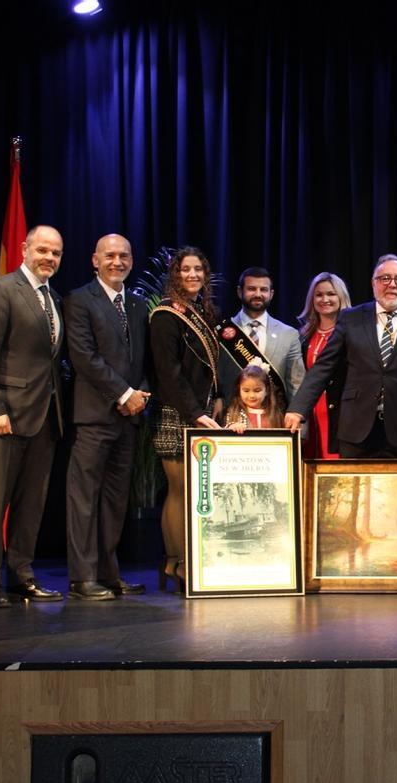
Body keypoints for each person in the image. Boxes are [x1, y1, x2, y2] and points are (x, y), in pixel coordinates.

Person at [0, 225, 68, 608]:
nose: (49, 258)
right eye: (42, 250)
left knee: (31, 504)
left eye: (56, 253)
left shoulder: (53, 298)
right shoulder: (1, 290)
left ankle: (21, 576)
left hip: (44, 418)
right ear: (25, 249)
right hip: (3, 417)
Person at [284, 254, 397, 460]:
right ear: (374, 283)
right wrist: (298, 409)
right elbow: (324, 367)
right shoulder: (351, 318)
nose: (392, 285)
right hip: (355, 429)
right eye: (385, 278)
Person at [63, 233, 150, 601]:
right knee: (84, 498)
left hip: (128, 419)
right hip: (95, 416)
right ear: (95, 260)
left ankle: (108, 574)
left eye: (124, 255)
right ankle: (83, 578)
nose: (118, 261)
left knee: (115, 501)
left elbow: (142, 360)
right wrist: (124, 394)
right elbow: (83, 357)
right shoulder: (80, 300)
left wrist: (140, 393)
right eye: (110, 255)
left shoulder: (137, 304)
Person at [149, 247, 223, 590]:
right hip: (175, 413)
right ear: (174, 275)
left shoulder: (202, 313)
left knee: (192, 491)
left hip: (202, 414)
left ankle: (178, 562)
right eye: (185, 270)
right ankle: (177, 563)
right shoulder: (166, 315)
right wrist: (195, 412)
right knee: (179, 490)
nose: (192, 275)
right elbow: (169, 373)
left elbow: (209, 368)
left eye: (198, 269)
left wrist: (217, 400)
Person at [219, 267, 305, 405]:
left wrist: (300, 423)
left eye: (263, 290)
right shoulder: (222, 332)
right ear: (240, 291)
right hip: (231, 419)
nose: (258, 294)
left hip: (275, 420)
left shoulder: (289, 334)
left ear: (271, 294)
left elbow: (296, 385)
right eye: (251, 289)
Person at [297, 272, 352, 459]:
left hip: (340, 414)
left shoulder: (352, 333)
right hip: (310, 413)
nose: (324, 299)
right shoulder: (304, 335)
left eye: (331, 294)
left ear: (341, 297)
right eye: (319, 294)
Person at [223, 362, 285, 431]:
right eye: (246, 391)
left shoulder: (276, 415)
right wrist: (232, 427)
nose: (252, 395)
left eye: (257, 391)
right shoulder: (234, 414)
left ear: (267, 390)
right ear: (239, 390)